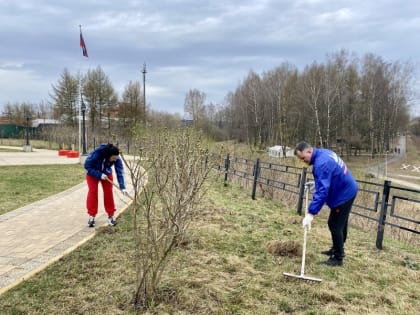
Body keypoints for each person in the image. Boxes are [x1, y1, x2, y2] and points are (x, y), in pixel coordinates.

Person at [294, 141, 358, 266]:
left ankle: (338, 258)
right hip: (347, 188)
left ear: (309, 151)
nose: (303, 161)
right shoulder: (323, 153)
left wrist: (310, 213)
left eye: (303, 158)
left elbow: (323, 192)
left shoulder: (321, 163)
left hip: (343, 194)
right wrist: (316, 183)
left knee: (335, 225)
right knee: (340, 223)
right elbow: (330, 174)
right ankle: (336, 249)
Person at [84, 143, 127, 227]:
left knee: (108, 193)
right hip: (93, 173)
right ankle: (91, 215)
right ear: (108, 155)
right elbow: (87, 166)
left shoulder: (116, 158)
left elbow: (120, 171)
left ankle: (111, 215)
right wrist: (99, 175)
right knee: (93, 192)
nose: (115, 160)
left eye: (116, 158)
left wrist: (122, 187)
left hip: (106, 173)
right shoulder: (97, 154)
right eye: (113, 158)